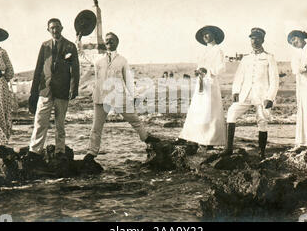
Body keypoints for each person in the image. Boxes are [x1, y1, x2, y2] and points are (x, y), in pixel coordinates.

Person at [83, 32, 160, 160]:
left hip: (118, 97)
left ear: (117, 43)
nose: (109, 42)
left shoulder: (122, 60)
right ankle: (91, 153)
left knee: (134, 119)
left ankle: (146, 138)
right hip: (101, 98)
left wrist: (134, 96)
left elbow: (128, 80)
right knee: (96, 127)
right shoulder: (97, 59)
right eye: (107, 40)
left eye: (112, 40)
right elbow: (82, 54)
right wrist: (78, 39)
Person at [224, 28, 279, 158]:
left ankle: (261, 152)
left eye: (258, 38)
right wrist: (236, 91)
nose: (255, 41)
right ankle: (228, 148)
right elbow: (239, 76)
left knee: (262, 120)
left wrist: (270, 97)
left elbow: (274, 80)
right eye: (252, 38)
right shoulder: (246, 59)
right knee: (231, 112)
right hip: (246, 94)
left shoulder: (269, 57)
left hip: (262, 95)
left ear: (263, 40)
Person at [28, 18, 80, 158]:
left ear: (62, 28)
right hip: (45, 90)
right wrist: (34, 92)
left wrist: (73, 89)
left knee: (60, 124)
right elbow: (38, 68)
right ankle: (34, 151)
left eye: (57, 27)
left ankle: (60, 151)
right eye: (52, 28)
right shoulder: (45, 46)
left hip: (62, 90)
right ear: (48, 30)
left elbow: (75, 69)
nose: (55, 30)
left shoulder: (70, 46)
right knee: (40, 121)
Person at [178, 25, 227, 152]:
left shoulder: (218, 50)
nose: (205, 37)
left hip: (211, 83)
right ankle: (192, 137)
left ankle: (209, 140)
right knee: (197, 109)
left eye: (207, 34)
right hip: (201, 83)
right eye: (203, 35)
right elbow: (200, 65)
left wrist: (208, 71)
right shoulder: (204, 51)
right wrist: (198, 71)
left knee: (209, 111)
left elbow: (221, 68)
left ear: (213, 35)